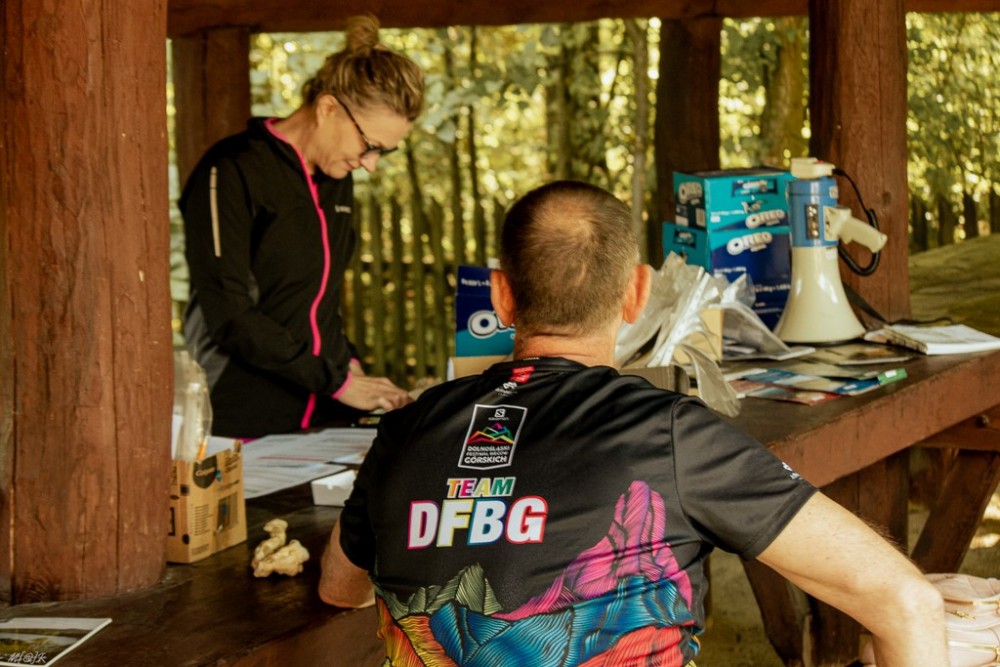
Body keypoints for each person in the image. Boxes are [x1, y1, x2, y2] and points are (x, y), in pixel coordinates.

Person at [318, 181, 947, 666]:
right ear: (637, 295)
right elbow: (906, 600)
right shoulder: (670, 435)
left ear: (501, 295)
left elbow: (340, 588)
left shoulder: (405, 430)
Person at [180, 15, 420, 439]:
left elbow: (318, 301)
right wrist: (338, 382)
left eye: (384, 152)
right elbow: (230, 315)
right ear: (328, 108)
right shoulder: (231, 169)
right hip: (244, 418)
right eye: (370, 146)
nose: (370, 165)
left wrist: (350, 367)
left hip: (325, 416)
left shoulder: (336, 176)